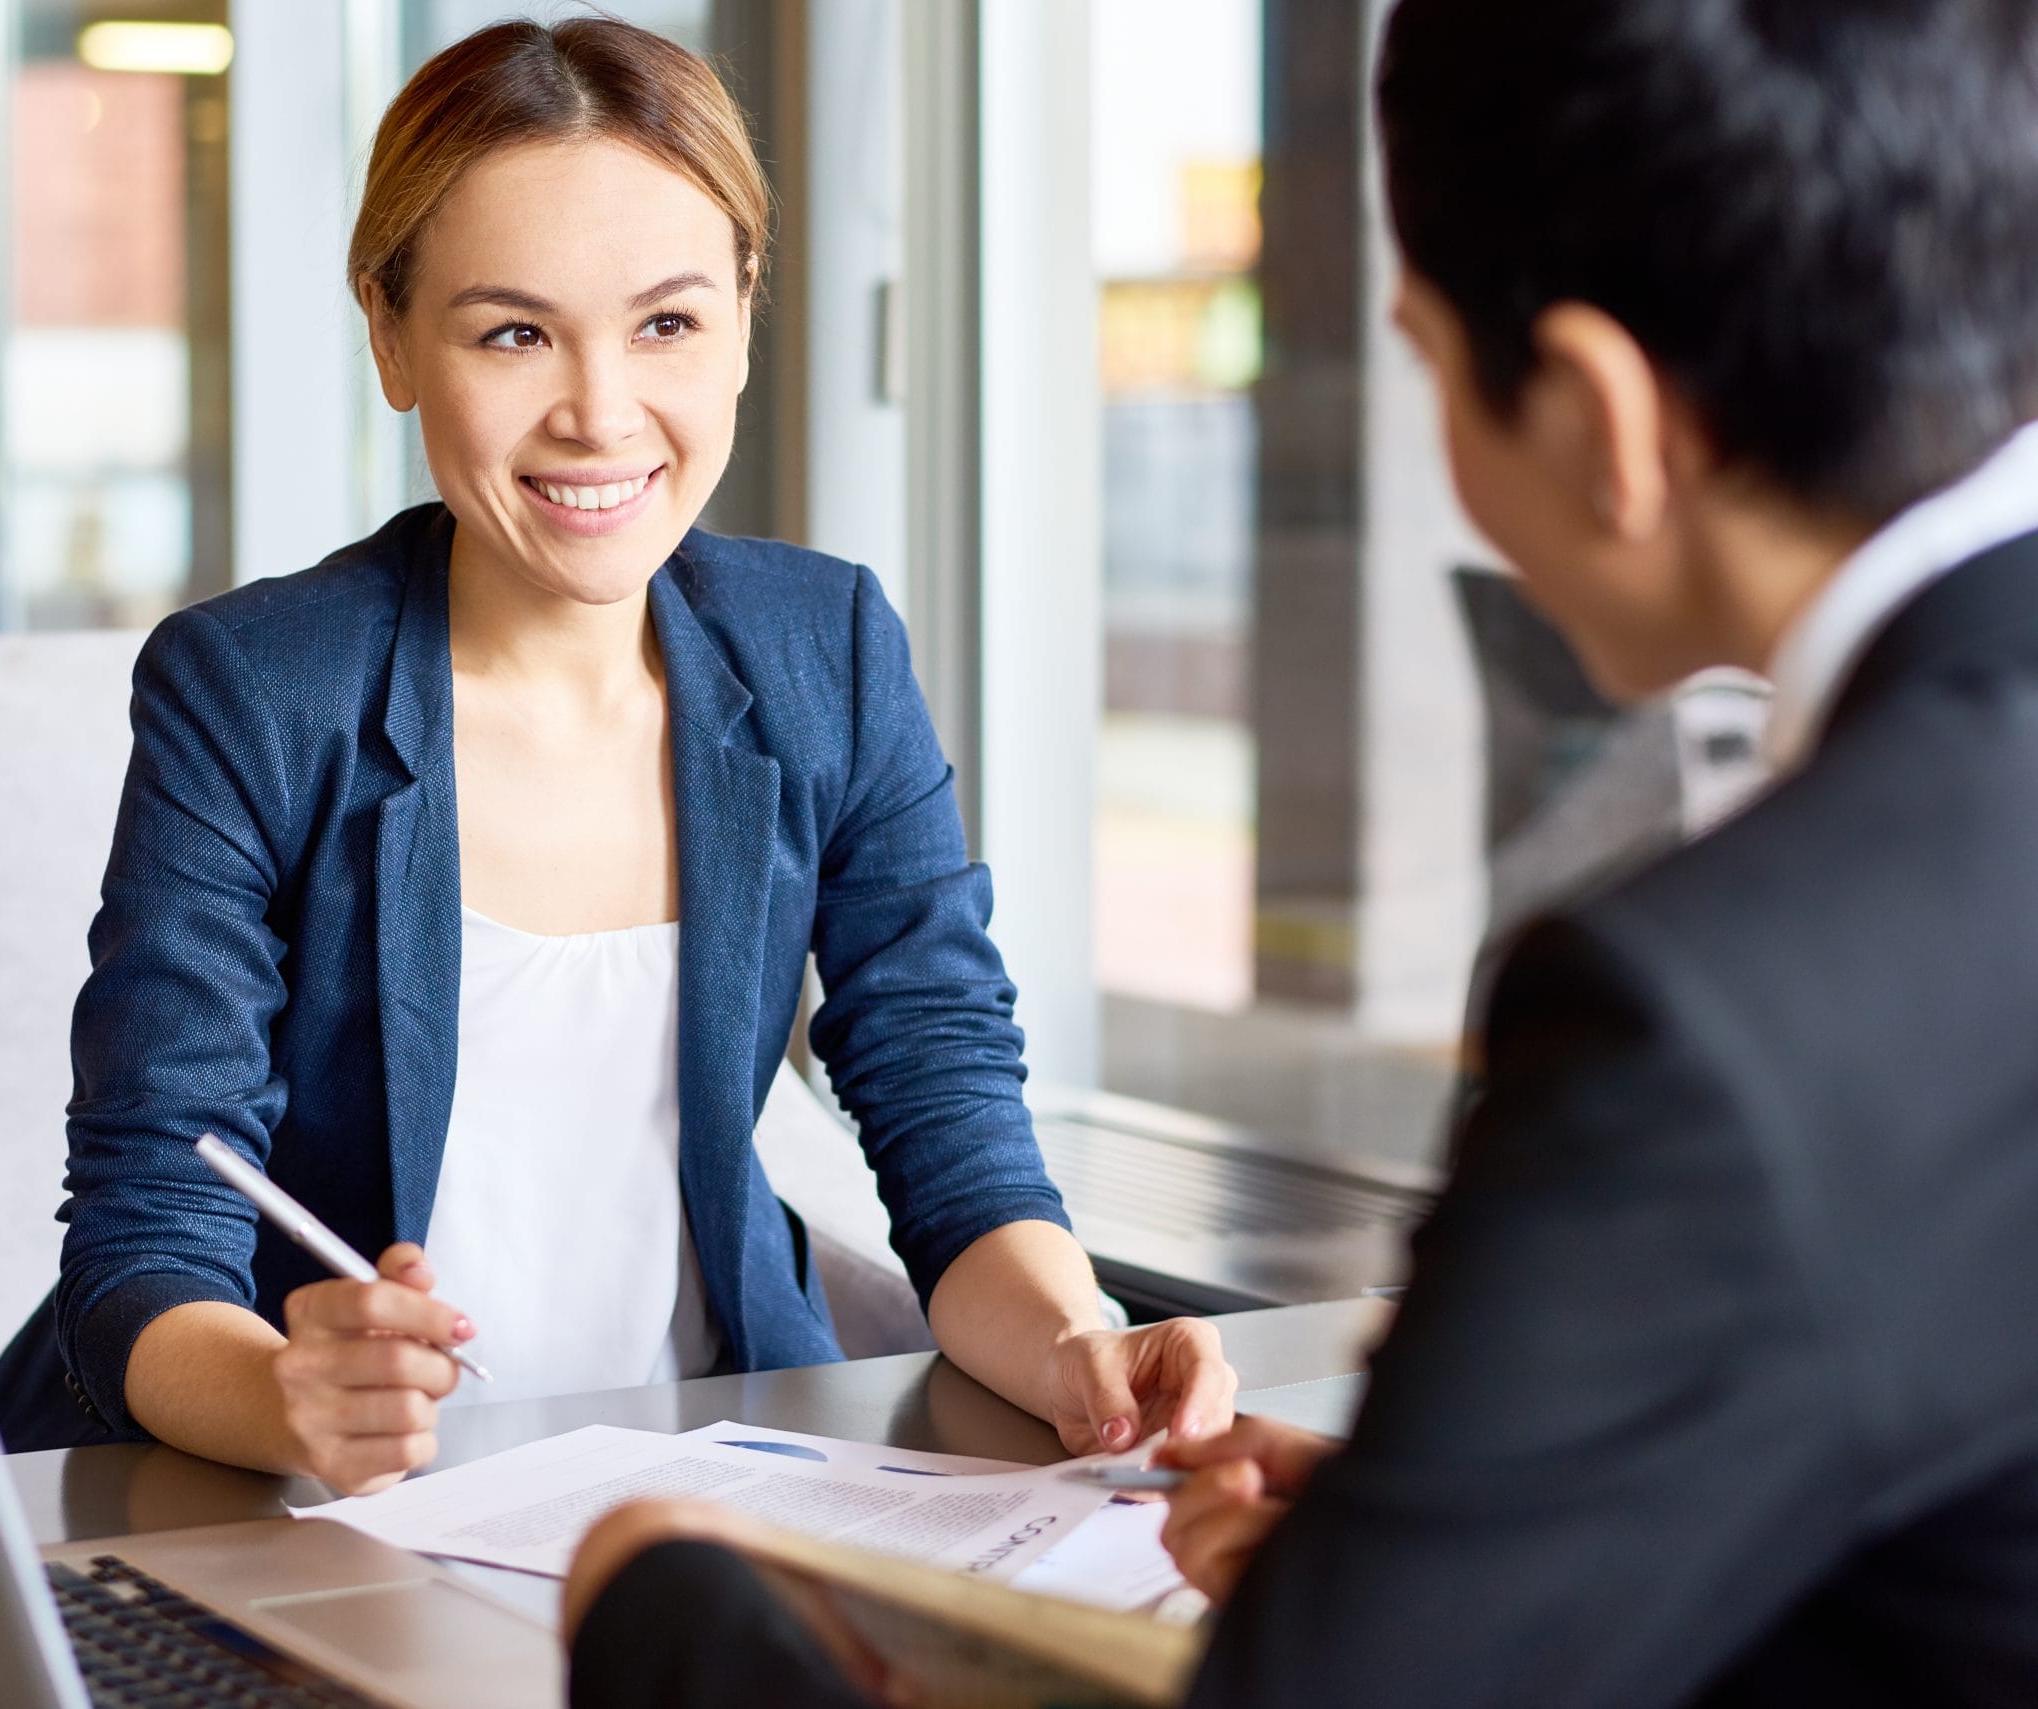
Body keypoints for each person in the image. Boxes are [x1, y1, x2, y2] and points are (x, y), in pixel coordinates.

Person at [558, 0, 2038, 1702]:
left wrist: (665, 1605)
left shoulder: (1703, 1018)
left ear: (1596, 414)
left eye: (1418, 358)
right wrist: (1462, 1538)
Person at [0, 16, 1233, 1496]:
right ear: (391, 337)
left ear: (746, 315)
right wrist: (288, 1396)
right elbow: (143, 1226)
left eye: (667, 323)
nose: (598, 412)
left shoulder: (824, 645)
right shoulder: (252, 690)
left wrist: (1076, 1340)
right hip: (291, 1501)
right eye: (513, 331)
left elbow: (944, 1103)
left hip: (704, 1467)